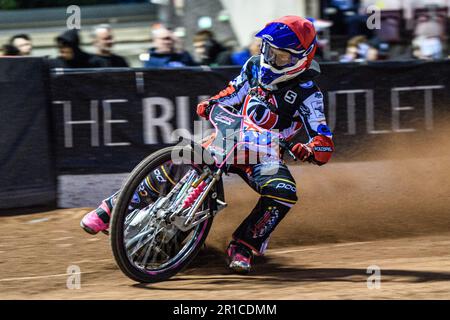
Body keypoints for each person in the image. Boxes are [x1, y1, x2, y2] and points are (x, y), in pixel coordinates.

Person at [80, 16, 334, 274]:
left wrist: (310, 150)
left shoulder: (309, 94)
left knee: (284, 192)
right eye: (268, 51)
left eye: (280, 56)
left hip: (265, 155)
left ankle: (244, 245)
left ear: (300, 59)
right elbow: (233, 92)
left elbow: (324, 143)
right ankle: (111, 209)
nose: (270, 59)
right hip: (230, 136)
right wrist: (211, 102)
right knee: (181, 157)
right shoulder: (254, 66)